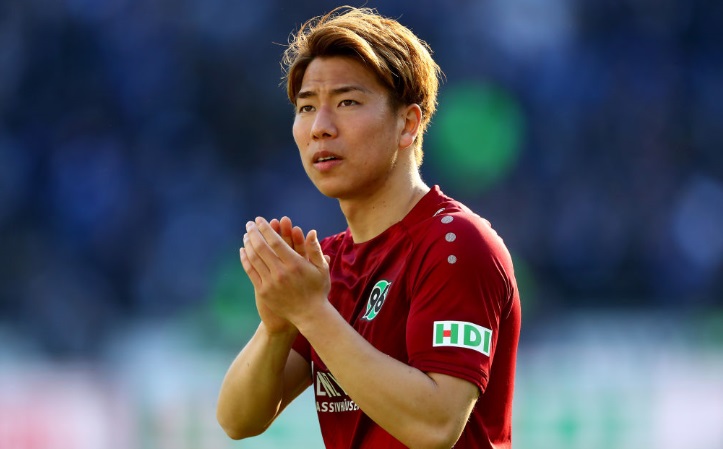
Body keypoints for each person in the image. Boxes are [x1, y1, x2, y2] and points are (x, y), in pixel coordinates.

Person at [216, 6, 521, 449]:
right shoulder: (328, 266)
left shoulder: (457, 245)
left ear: (408, 123)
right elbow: (237, 420)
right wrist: (278, 323)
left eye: (347, 102)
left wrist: (310, 312)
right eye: (306, 107)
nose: (320, 127)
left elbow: (435, 426)